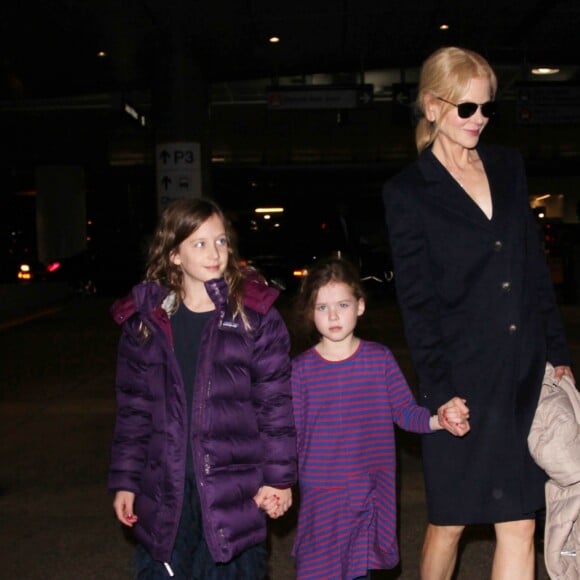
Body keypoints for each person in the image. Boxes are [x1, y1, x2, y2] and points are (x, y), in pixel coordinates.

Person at [382, 46, 575, 580]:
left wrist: (556, 355)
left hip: (521, 371)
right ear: (432, 106)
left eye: (486, 108)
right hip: (460, 378)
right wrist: (440, 389)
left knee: (520, 522)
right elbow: (416, 303)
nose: (479, 120)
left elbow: (533, 268)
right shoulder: (407, 193)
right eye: (466, 108)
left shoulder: (508, 166)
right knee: (451, 520)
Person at [107, 197, 297, 579]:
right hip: (165, 490)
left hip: (233, 491)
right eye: (200, 243)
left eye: (221, 241)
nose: (215, 253)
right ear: (173, 254)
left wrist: (279, 479)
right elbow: (133, 411)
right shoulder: (144, 323)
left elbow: (275, 405)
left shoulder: (255, 316)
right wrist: (126, 481)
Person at [290, 256, 470, 580]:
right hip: (321, 494)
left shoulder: (379, 359)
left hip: (369, 489)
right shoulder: (301, 370)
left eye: (342, 305)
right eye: (321, 307)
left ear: (359, 306)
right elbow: (289, 434)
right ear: (309, 312)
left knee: (360, 570)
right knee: (319, 571)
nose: (333, 315)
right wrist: (275, 482)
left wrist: (438, 420)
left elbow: (404, 413)